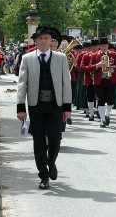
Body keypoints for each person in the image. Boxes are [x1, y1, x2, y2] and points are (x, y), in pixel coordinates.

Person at [16, 26, 72, 189]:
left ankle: (51, 162)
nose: (43, 41)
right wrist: (20, 107)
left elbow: (66, 83)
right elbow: (22, 84)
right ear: (36, 41)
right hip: (36, 106)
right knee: (38, 141)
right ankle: (43, 175)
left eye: (46, 38)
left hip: (56, 106)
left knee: (55, 138)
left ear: (51, 41)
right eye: (40, 38)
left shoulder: (61, 58)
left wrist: (67, 107)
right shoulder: (27, 58)